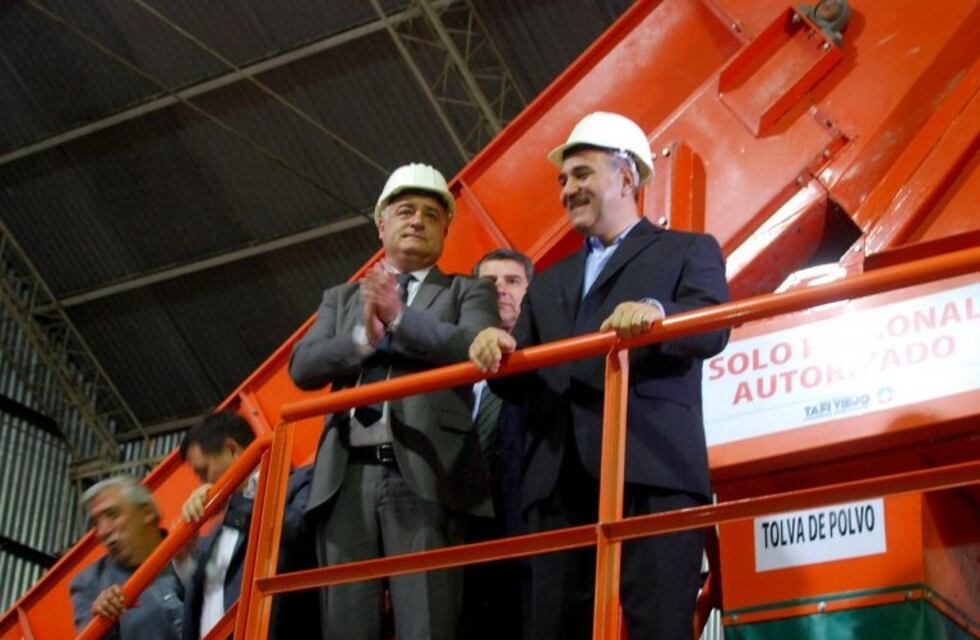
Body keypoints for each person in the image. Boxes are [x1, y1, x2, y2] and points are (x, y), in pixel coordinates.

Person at [469, 111, 731, 639]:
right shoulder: (550, 282)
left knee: (658, 628)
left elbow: (711, 329)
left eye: (582, 174)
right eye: (563, 180)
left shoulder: (686, 250)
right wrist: (498, 354)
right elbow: (525, 381)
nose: (568, 189)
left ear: (627, 176)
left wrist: (656, 313)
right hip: (558, 485)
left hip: (651, 472)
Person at [289, 163, 499, 640]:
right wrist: (362, 340)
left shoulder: (469, 290)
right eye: (405, 211)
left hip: (426, 475)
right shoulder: (340, 299)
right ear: (381, 224)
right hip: (344, 480)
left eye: (431, 213)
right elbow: (303, 367)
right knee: (345, 626)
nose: (417, 221)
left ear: (446, 228)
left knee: (426, 625)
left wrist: (400, 318)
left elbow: (469, 345)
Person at [176, 411, 316, 639]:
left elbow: (299, 529)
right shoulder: (218, 531)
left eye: (204, 471)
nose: (203, 483)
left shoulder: (301, 482)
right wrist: (184, 555)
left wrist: (241, 502)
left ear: (232, 449)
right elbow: (207, 592)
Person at [460, 249, 534, 640]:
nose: (500, 290)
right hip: (461, 534)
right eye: (488, 283)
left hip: (525, 532)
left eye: (512, 281)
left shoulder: (544, 362)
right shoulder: (450, 365)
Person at [70, 476, 183, 639]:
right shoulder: (90, 584)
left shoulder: (190, 548)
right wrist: (103, 622)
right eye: (96, 523)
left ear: (147, 512)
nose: (102, 531)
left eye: (112, 514)